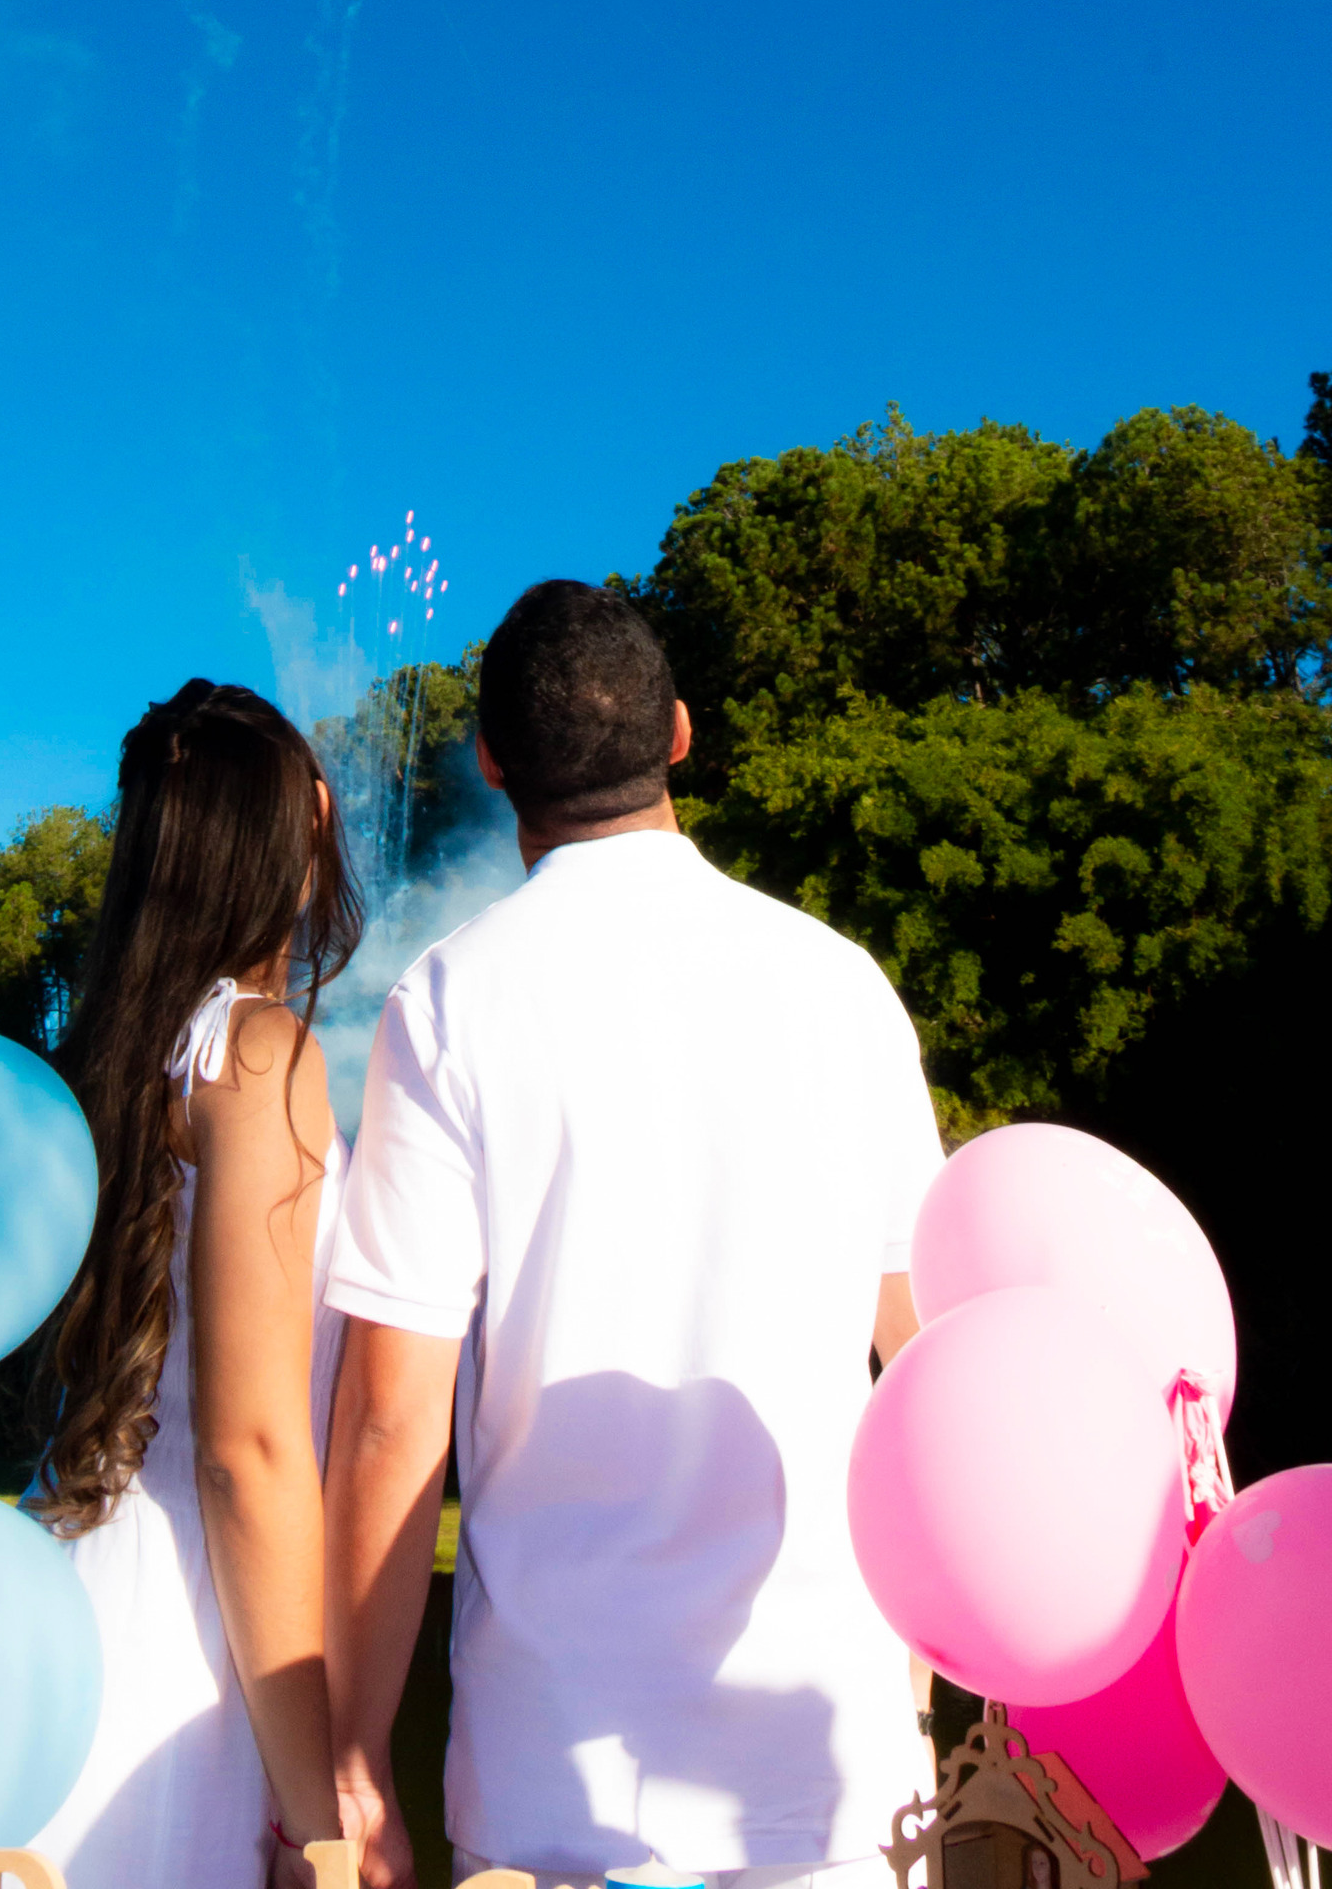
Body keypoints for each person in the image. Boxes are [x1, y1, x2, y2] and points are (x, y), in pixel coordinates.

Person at [324, 580, 946, 1889]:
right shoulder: (842, 989)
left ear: (492, 763)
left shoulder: (449, 1001)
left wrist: (356, 1750)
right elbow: (931, 1367)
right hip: (832, 1763)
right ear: (679, 733)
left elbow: (392, 1418)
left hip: (551, 1779)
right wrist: (934, 1675)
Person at [27, 679, 361, 1889]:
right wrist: (315, 1823)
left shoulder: (113, 1059)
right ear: (299, 830)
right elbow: (246, 1451)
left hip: (53, 1592)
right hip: (183, 1634)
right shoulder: (259, 1055)